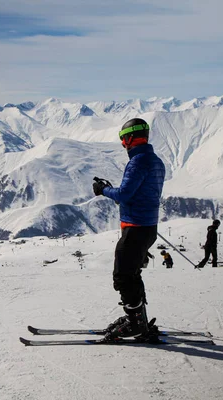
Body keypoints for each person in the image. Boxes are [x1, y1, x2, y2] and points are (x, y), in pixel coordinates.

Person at [92, 117, 166, 339]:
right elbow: (137, 194)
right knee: (132, 274)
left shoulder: (138, 162)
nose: (123, 144)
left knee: (123, 275)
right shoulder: (155, 161)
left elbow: (124, 194)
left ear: (131, 138)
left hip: (136, 227)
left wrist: (103, 190)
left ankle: (135, 323)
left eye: (123, 139)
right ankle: (138, 320)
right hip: (146, 226)